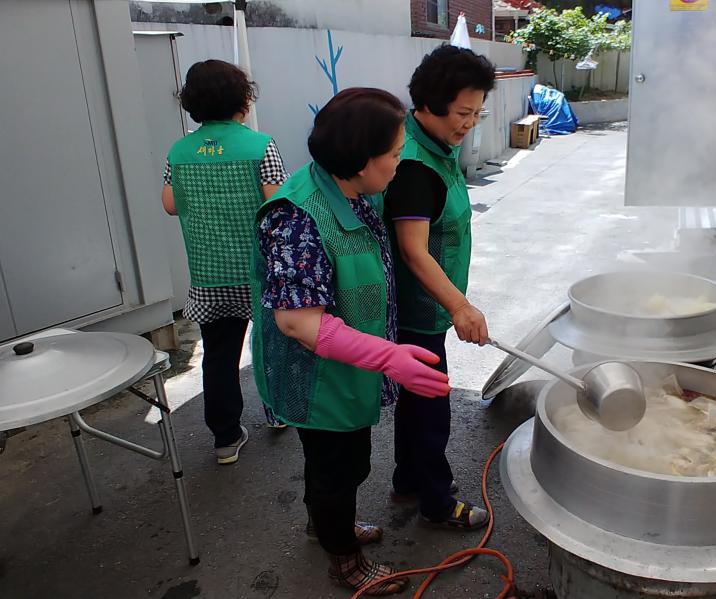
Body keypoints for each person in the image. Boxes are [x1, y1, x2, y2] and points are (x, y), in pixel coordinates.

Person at [252, 88, 450, 595]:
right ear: (362, 161)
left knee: (341, 463)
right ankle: (343, 558)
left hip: (347, 365)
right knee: (339, 467)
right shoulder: (296, 216)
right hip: (317, 376)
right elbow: (298, 322)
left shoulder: (354, 192)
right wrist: (389, 357)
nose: (401, 161)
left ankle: (327, 523)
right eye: (394, 153)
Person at [384, 45, 496, 529]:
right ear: (429, 104)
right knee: (430, 405)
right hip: (418, 309)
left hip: (428, 306)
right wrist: (460, 306)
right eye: (463, 112)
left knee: (416, 398)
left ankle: (409, 480)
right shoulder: (413, 167)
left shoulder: (434, 145)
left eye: (478, 112)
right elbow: (413, 251)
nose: (471, 122)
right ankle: (435, 501)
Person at [161, 59, 288, 466]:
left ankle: (226, 438)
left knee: (218, 356)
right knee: (272, 346)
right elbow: (280, 205)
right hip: (258, 274)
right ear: (241, 99)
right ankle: (278, 412)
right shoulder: (259, 144)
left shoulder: (179, 150)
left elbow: (169, 205)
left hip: (209, 275)